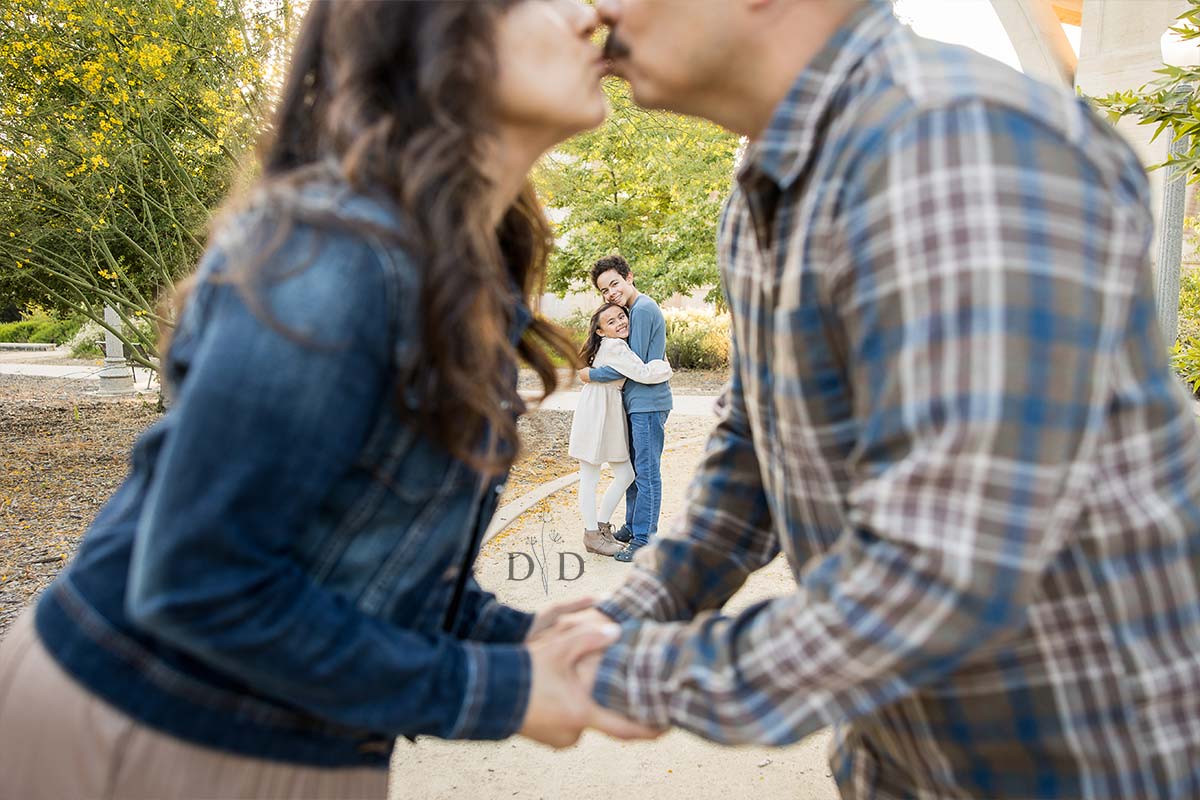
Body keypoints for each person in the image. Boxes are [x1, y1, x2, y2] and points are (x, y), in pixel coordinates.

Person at [0, 1, 657, 797]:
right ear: (439, 35)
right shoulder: (337, 252)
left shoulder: (458, 266)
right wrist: (502, 691)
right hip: (147, 732)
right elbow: (200, 581)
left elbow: (361, 564)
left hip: (297, 750)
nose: (590, 12)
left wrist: (517, 641)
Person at [551, 0, 1200, 797]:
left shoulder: (957, 143)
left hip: (1088, 765)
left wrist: (628, 673)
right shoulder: (771, 188)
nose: (599, 10)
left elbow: (942, 564)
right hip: (903, 760)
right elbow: (756, 447)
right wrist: (636, 611)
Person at [578, 254, 673, 562]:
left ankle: (644, 538)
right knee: (634, 472)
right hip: (635, 403)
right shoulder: (629, 311)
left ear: (629, 276)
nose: (611, 293)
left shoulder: (643, 309)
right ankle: (632, 527)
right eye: (604, 290)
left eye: (614, 284)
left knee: (646, 474)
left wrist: (590, 374)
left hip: (648, 403)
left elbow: (633, 365)